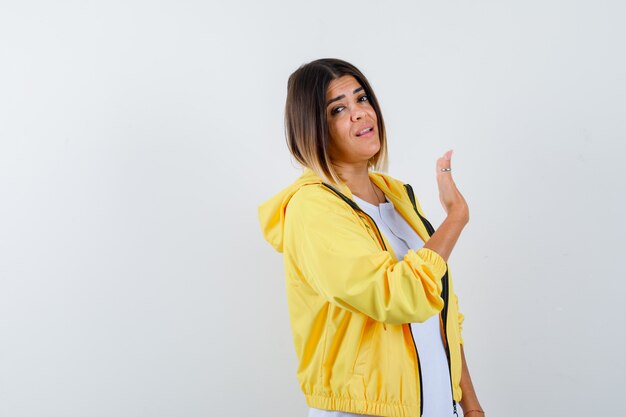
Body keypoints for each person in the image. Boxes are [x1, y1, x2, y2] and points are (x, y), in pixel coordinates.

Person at [258, 58, 484, 417]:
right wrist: (455, 218)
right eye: (338, 109)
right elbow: (397, 297)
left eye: (362, 99)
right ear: (313, 127)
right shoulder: (313, 208)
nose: (360, 114)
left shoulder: (396, 197)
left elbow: (440, 310)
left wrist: (469, 406)